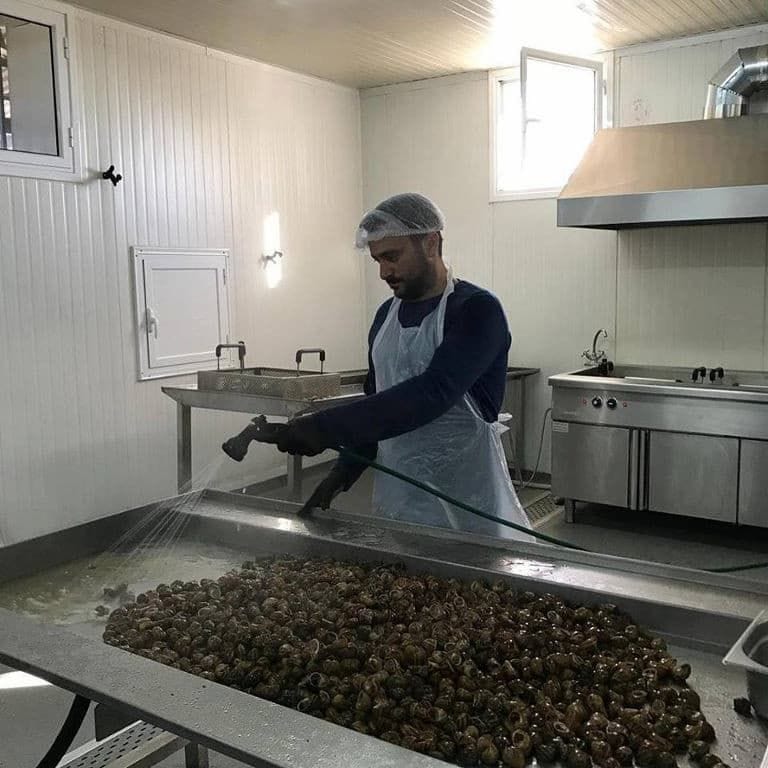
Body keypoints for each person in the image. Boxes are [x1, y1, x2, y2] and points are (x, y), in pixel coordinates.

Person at [274, 192, 533, 540]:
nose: (384, 272)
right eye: (378, 260)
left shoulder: (476, 310)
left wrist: (322, 428)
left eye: (392, 257)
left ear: (431, 243)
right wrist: (340, 478)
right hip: (400, 503)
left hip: (469, 505)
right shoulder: (385, 318)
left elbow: (432, 393)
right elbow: (377, 407)